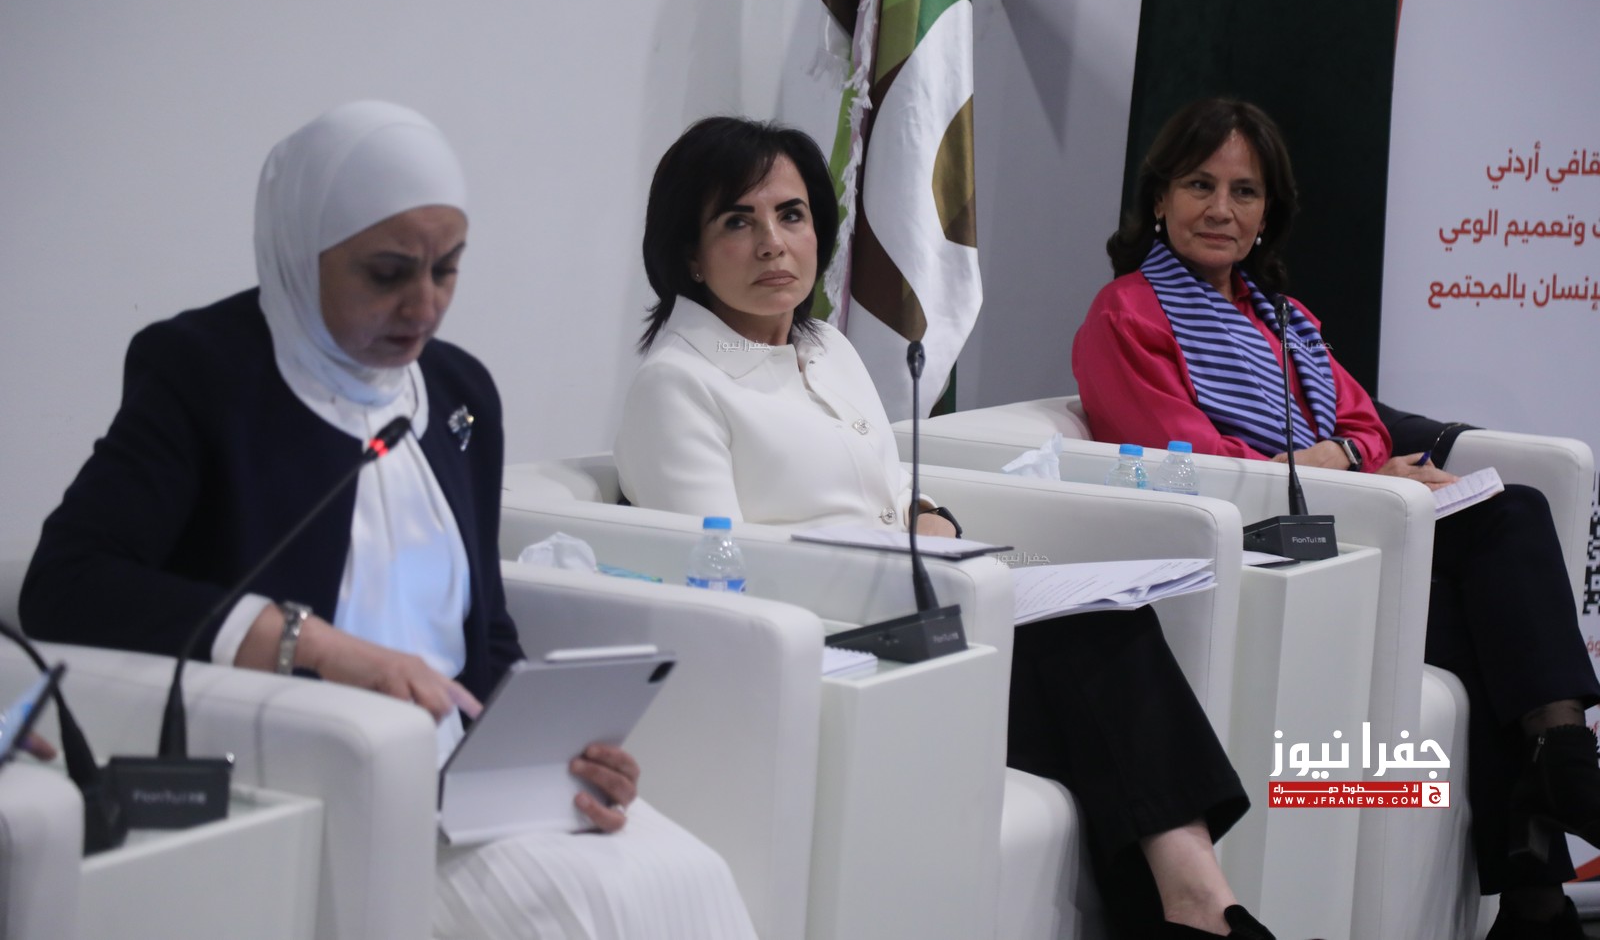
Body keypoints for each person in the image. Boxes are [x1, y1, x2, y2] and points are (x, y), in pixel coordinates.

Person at [19, 101, 756, 940]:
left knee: (685, 877)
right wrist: (312, 643)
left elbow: (484, 633)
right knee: (570, 914)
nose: (424, 305)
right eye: (387, 272)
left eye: (447, 269)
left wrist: (545, 751)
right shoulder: (204, 374)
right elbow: (67, 585)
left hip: (462, 780)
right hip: (316, 777)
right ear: (302, 251)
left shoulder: (458, 393)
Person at [614, 115, 1276, 940]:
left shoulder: (827, 350)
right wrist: (891, 568)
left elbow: (894, 489)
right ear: (688, 253)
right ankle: (1203, 911)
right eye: (737, 221)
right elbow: (714, 576)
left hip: (920, 622)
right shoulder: (677, 385)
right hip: (831, 656)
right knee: (1096, 661)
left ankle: (1199, 906)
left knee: (1111, 623)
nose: (773, 243)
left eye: (791, 215)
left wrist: (930, 518)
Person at [1073, 96, 1600, 939]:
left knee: (1507, 524)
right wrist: (1333, 465)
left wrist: (1343, 461)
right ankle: (1550, 826)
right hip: (1260, 557)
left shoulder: (1286, 319)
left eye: (1245, 192)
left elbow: (1363, 425)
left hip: (1344, 538)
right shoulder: (1126, 313)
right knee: (1501, 571)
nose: (1220, 208)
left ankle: (1549, 812)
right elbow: (1184, 458)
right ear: (1160, 197)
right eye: (1200, 184)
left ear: (1267, 216)